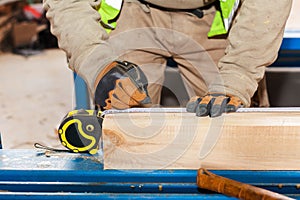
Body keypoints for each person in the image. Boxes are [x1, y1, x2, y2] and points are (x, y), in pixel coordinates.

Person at [43, 0, 292, 117]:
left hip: (212, 17)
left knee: (233, 129)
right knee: (127, 134)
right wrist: (97, 64)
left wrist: (238, 75)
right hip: (133, 11)